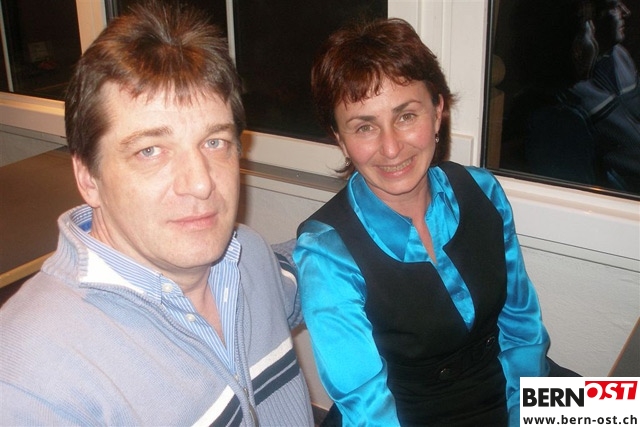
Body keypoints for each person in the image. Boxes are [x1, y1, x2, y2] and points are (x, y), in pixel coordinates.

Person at [0, 2, 313, 426]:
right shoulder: (29, 384)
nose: (200, 183)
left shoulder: (247, 256)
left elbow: (313, 268)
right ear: (88, 177)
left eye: (215, 142)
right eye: (150, 150)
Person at [294, 18, 554, 426]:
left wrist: (527, 415)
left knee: (627, 408)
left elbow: (523, 327)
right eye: (365, 126)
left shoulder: (483, 191)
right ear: (340, 139)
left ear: (437, 111)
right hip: (407, 417)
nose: (391, 147)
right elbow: (368, 407)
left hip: (511, 388)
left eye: (406, 116)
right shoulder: (326, 250)